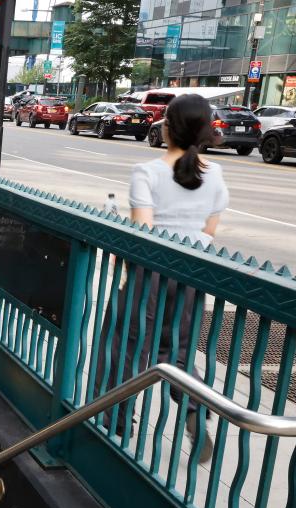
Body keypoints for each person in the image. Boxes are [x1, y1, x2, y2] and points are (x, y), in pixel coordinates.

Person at [96, 94, 228, 462]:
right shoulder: (215, 175)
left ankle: (116, 424)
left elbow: (144, 233)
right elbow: (209, 231)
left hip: (149, 275)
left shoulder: (148, 172)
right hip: (189, 275)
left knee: (124, 347)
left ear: (167, 127)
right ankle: (195, 413)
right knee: (180, 350)